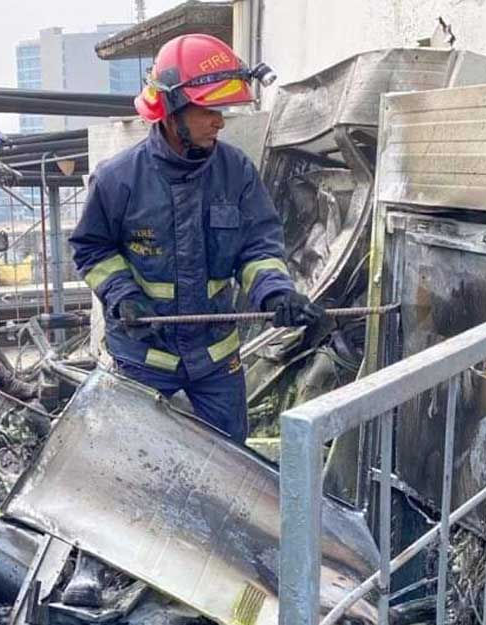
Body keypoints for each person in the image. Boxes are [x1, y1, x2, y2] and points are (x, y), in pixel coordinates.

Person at [69, 33, 323, 447]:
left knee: (228, 462)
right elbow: (92, 248)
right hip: (143, 359)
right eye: (208, 110)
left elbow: (257, 247)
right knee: (142, 463)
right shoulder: (118, 179)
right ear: (171, 110)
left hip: (215, 361)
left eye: (220, 110)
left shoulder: (236, 172)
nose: (219, 122)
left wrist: (276, 293)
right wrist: (122, 295)